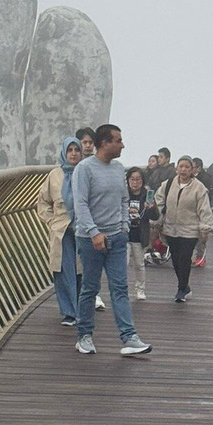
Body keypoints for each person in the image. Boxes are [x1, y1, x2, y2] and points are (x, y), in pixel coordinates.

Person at [71, 124, 152, 356]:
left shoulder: (118, 169)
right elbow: (81, 204)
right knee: (90, 287)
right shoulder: (84, 169)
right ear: (104, 143)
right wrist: (94, 232)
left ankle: (129, 338)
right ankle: (84, 336)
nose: (122, 145)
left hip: (117, 238)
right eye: (118, 140)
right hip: (90, 239)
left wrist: (124, 227)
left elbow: (124, 200)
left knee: (120, 287)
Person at [36, 137, 82, 325]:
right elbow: (43, 202)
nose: (73, 153)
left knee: (82, 270)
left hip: (82, 229)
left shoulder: (86, 172)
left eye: (76, 149)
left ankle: (82, 308)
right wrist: (52, 221)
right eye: (69, 149)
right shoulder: (54, 175)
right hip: (61, 229)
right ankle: (69, 312)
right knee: (63, 270)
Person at [159, 155, 213, 302]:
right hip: (171, 228)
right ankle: (185, 287)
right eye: (181, 166)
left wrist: (204, 228)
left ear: (192, 170)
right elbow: (159, 201)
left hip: (190, 230)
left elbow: (204, 209)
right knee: (176, 259)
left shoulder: (199, 188)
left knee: (184, 258)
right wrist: (156, 221)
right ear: (176, 168)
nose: (183, 170)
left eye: (187, 167)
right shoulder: (168, 184)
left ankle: (181, 289)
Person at [76, 125, 107, 312]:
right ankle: (82, 297)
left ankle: (93, 295)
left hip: (95, 224)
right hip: (73, 225)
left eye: (90, 142)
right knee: (77, 264)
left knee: (91, 263)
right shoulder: (73, 167)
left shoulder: (99, 166)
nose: (87, 146)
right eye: (84, 143)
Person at [126, 166, 158, 301]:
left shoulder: (147, 195)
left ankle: (140, 289)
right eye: (132, 179)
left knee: (139, 264)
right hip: (125, 234)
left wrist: (151, 208)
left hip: (139, 235)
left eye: (138, 179)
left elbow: (155, 216)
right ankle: (122, 289)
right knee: (123, 264)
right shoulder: (123, 194)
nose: (135, 182)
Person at [191, 158, 210, 267]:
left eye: (192, 167)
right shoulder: (190, 179)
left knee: (201, 235)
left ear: (198, 168)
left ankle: (200, 257)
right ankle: (196, 256)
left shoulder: (205, 179)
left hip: (201, 211)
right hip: (192, 211)